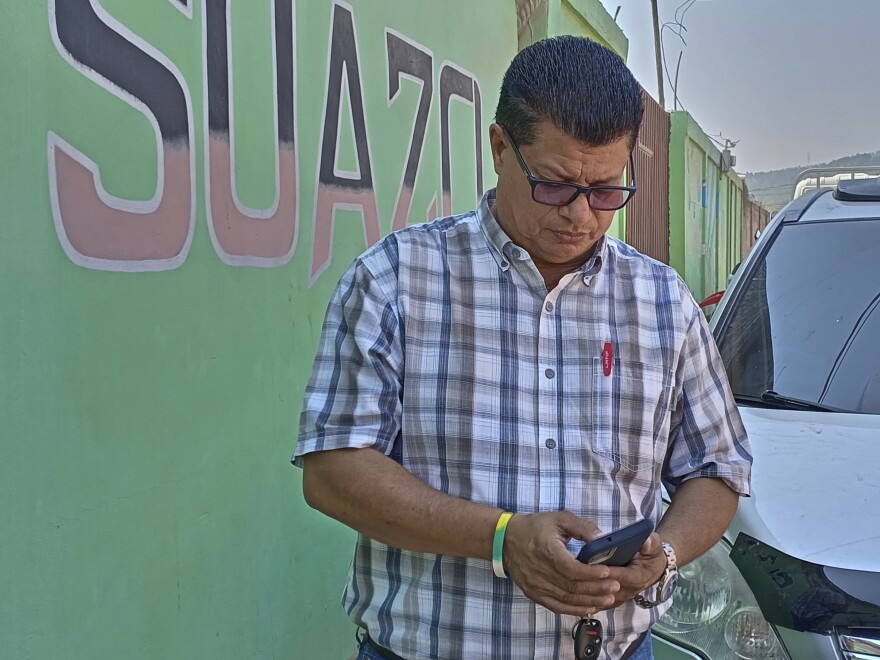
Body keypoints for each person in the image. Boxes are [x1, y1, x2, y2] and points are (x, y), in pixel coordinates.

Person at [293, 35, 752, 660]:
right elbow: (333, 470)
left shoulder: (664, 303)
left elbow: (717, 471)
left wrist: (664, 553)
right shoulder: (396, 280)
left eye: (606, 190)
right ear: (500, 148)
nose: (582, 215)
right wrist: (500, 538)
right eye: (558, 185)